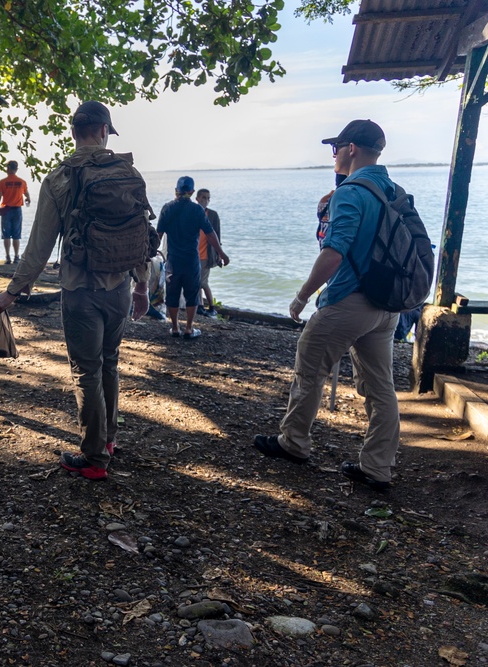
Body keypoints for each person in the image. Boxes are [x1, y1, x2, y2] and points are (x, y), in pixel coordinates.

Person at [0, 100, 151, 481]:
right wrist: (142, 284)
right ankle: (108, 439)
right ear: (103, 132)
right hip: (121, 288)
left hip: (80, 290)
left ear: (74, 131)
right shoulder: (128, 171)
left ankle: (95, 458)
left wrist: (11, 292)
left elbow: (39, 245)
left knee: (86, 371)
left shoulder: (59, 178)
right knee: (109, 362)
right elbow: (142, 233)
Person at [253, 119, 400, 493]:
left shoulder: (351, 192)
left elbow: (334, 252)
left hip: (351, 301)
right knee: (381, 387)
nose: (333, 155)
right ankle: (378, 467)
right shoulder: (394, 190)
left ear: (351, 149)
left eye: (336, 148)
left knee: (309, 366)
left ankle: (294, 443)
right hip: (388, 305)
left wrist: (302, 296)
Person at [157, 176, 229, 339]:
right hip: (191, 261)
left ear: (176, 190)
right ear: (192, 192)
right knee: (192, 294)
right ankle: (189, 329)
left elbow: (158, 235)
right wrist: (221, 253)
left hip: (173, 261)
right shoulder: (197, 210)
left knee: (172, 294)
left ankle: (175, 328)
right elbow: (211, 234)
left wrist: (149, 253)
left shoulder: (167, 208)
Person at [0, 160, 31, 264]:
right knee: (16, 235)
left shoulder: (3, 182)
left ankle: (8, 257)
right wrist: (28, 199)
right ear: (16, 169)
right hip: (17, 210)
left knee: (6, 235)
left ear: (7, 168)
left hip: (6, 210)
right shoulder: (22, 182)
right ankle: (16, 257)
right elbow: (26, 194)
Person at [195, 188, 222, 317]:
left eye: (208, 198)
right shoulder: (193, 212)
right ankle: (200, 306)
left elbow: (217, 235)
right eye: (203, 197)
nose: (206, 200)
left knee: (203, 282)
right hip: (193, 253)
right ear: (197, 199)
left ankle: (212, 307)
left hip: (207, 254)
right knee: (196, 281)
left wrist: (219, 255)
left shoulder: (212, 215)